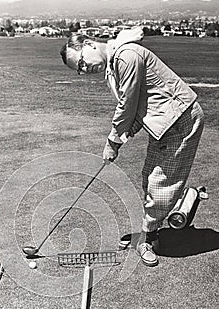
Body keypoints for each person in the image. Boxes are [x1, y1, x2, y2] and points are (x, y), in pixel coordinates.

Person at [59, 27, 204, 267]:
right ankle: (165, 218)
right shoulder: (116, 63)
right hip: (166, 123)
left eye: (82, 62)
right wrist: (123, 138)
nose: (85, 69)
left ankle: (147, 238)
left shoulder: (126, 56)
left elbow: (127, 105)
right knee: (149, 177)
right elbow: (138, 109)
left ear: (89, 43)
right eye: (79, 70)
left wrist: (112, 141)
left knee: (160, 184)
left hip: (181, 121)